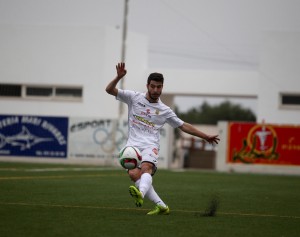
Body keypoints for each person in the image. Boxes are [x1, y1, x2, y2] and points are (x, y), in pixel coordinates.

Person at [105, 62, 220, 215]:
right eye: (153, 86)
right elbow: (109, 90)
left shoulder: (165, 110)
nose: (155, 90)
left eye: (159, 87)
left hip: (150, 145)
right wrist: (118, 77)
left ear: (162, 88)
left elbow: (183, 126)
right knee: (133, 174)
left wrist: (205, 136)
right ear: (147, 85)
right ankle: (161, 206)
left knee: (146, 168)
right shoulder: (134, 97)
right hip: (132, 146)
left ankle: (141, 194)